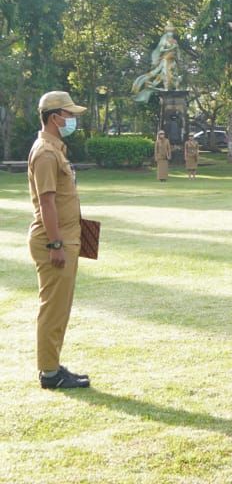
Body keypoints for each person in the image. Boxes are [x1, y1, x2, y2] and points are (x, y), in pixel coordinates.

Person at [27, 91, 92, 389]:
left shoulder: (56, 149)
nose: (72, 119)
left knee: (59, 307)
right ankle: (50, 374)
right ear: (55, 118)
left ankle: (52, 365)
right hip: (55, 241)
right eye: (68, 115)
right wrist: (55, 244)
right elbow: (47, 203)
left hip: (66, 238)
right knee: (53, 308)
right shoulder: (45, 153)